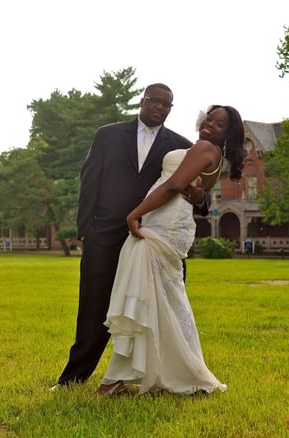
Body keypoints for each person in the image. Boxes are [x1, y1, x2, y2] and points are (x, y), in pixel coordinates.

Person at [53, 83, 207, 388]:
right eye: (155, 101)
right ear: (142, 100)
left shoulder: (181, 146)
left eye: (166, 105)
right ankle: (72, 379)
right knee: (92, 309)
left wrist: (200, 197)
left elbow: (200, 199)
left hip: (150, 240)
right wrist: (87, 231)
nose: (159, 107)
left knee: (154, 310)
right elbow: (90, 180)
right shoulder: (107, 135)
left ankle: (150, 377)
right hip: (105, 235)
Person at [96, 105, 246, 396]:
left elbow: (174, 184)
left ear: (227, 133)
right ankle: (155, 371)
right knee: (157, 297)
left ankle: (117, 378)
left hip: (164, 222)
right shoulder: (210, 153)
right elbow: (194, 192)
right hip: (170, 220)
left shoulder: (205, 148)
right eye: (209, 119)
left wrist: (133, 214)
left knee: (143, 294)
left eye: (219, 124)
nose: (209, 125)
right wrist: (192, 192)